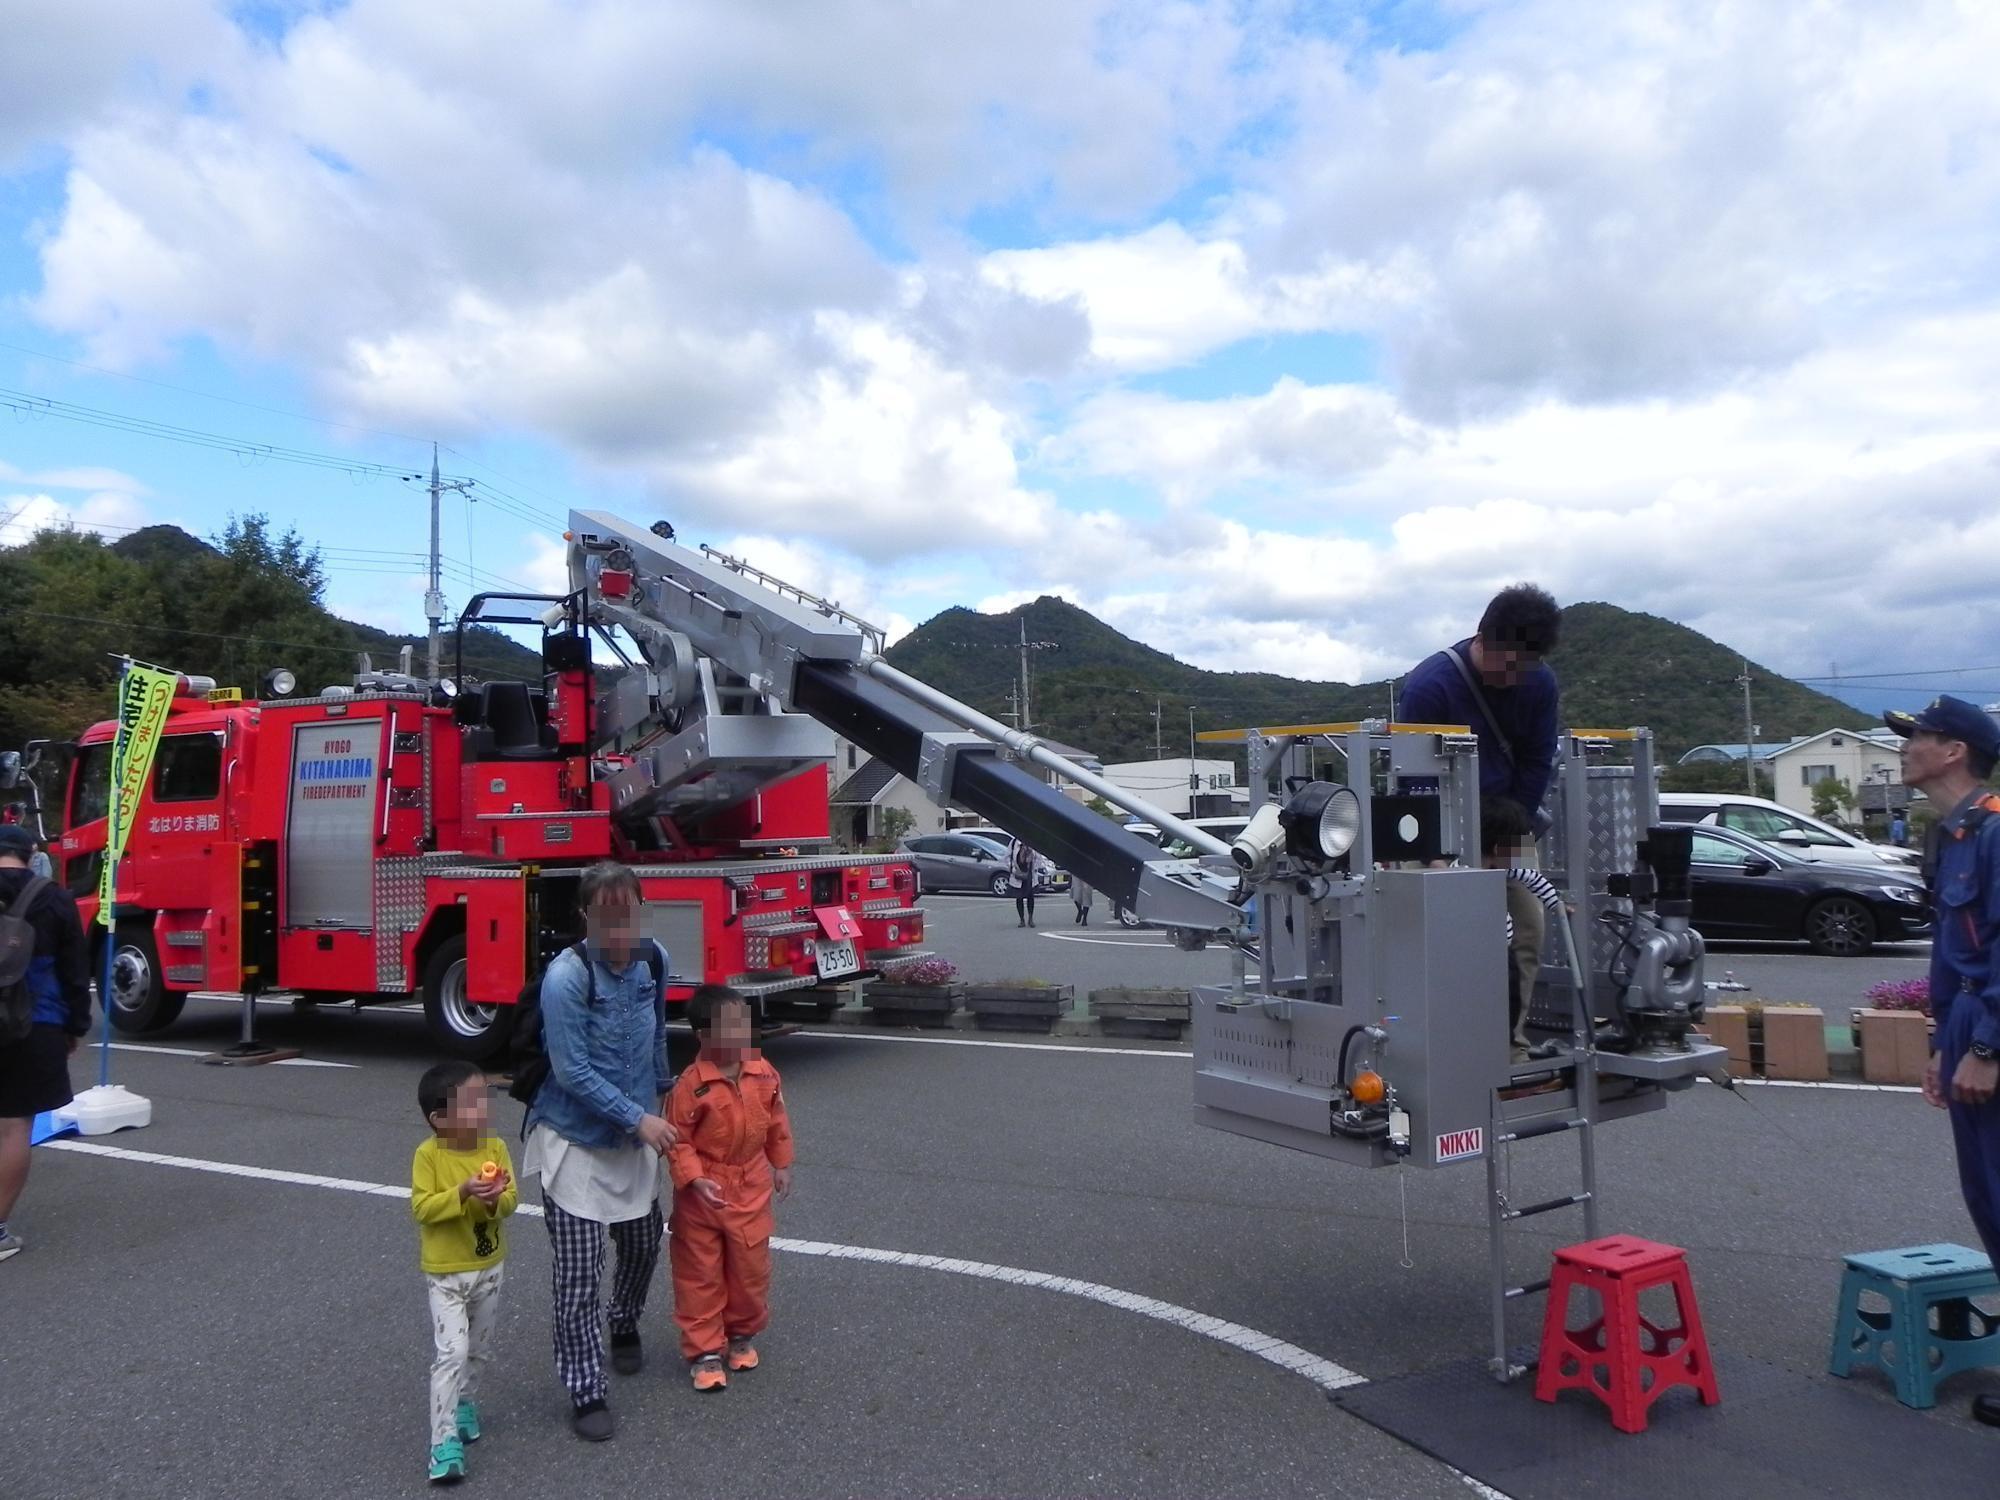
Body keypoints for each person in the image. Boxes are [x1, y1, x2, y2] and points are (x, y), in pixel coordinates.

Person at [522, 861, 678, 1441]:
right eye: (607, 914)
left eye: (630, 912)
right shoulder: (567, 977)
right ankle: (585, 1388)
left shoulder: (653, 959)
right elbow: (572, 1072)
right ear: (586, 916)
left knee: (642, 1244)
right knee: (579, 1274)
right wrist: (639, 1118)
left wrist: (664, 1099)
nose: (621, 926)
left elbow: (656, 1034)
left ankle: (624, 1320)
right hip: (575, 1141)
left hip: (636, 1132)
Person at [1883, 694, 2000, 1432]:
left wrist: (1987, 1047)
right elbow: (1957, 954)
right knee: (1987, 1199)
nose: (1905, 747)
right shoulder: (1956, 834)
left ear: (1954, 750)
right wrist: (1942, 1045)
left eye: (1916, 736)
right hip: (1965, 1026)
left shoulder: (1995, 830)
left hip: (1991, 1031)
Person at [1401, 584, 1563, 1043]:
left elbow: (1537, 762)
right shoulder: (1430, 686)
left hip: (1506, 824)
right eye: (1507, 665)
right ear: (1482, 639)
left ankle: (1510, 1041)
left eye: (1524, 668)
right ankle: (1439, 1040)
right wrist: (1434, 855)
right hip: (1438, 828)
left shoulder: (1539, 683)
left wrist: (1510, 836)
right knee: (1439, 937)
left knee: (1527, 928)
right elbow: (1413, 779)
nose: (1514, 678)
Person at [666, 984, 794, 1392]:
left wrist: (781, 1163)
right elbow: (678, 1139)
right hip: (703, 1192)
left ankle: (741, 1333)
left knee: (749, 1270)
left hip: (751, 1183)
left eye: (743, 1024)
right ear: (702, 1036)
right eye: (729, 1028)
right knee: (699, 1274)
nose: (740, 1035)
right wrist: (693, 1178)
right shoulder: (691, 1085)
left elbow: (776, 1119)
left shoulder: (762, 1071)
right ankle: (704, 1351)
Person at [411, 1061, 518, 1484]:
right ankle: (442, 1442)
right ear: (440, 1119)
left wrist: (492, 1199)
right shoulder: (429, 1155)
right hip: (446, 1274)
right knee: (452, 1353)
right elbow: (422, 1208)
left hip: (489, 1267)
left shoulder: (495, 1148)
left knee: (478, 1349)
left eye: (484, 1098)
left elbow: (510, 1202)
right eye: (471, 1102)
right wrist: (462, 1192)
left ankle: (464, 1403)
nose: (483, 1108)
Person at [0, 822, 92, 1263]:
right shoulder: (54, 898)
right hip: (35, 1023)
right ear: (31, 853)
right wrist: (75, 1026)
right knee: (14, 1126)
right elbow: (75, 971)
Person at [1482, 798, 1565, 1061]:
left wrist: (1557, 903)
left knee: (1527, 940)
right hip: (1471, 823)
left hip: (1515, 819)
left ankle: (1512, 1047)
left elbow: (1532, 879)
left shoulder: (1513, 849)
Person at [1008, 838, 1038, 928]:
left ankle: (1030, 918)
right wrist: (1012, 869)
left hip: (1029, 875)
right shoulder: (1014, 843)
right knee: (1019, 897)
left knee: (1030, 897)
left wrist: (1034, 869)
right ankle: (1022, 919)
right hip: (1017, 874)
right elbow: (1007, 857)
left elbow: (1038, 858)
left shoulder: (1032, 843)